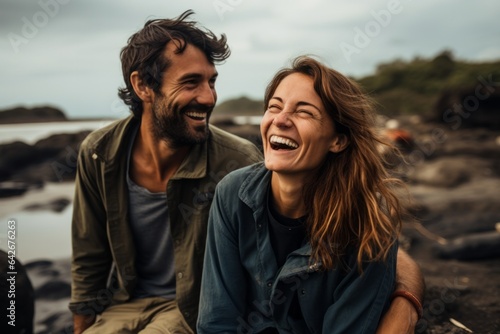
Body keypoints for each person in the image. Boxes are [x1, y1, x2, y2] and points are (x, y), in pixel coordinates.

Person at [70, 10, 423, 334]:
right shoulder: (102, 153)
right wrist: (83, 322)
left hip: (185, 313)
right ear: (143, 86)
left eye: (211, 82)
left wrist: (404, 304)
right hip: (126, 304)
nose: (209, 98)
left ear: (338, 139)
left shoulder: (238, 161)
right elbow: (90, 253)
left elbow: (378, 246)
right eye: (192, 82)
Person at [197, 56, 423, 333]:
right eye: (274, 107)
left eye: (303, 112)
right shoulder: (233, 193)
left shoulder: (367, 224)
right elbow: (217, 320)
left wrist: (407, 305)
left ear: (338, 140)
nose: (280, 120)